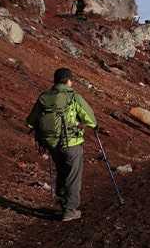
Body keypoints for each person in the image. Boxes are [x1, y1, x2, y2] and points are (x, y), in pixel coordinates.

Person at [25, 68, 97, 221]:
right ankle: (70, 211)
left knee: (62, 172)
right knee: (72, 176)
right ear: (68, 80)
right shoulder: (73, 97)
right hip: (71, 142)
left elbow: (30, 121)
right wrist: (82, 124)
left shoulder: (44, 97)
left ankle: (63, 205)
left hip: (51, 144)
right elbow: (91, 119)